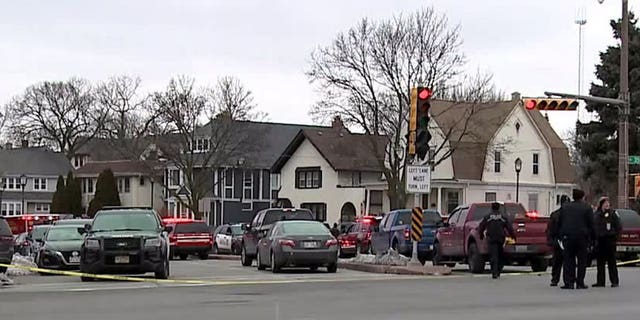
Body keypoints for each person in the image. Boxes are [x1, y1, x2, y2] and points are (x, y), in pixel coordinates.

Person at [557, 189, 595, 289]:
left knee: (568, 260)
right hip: (582, 237)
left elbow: (559, 222)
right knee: (582, 261)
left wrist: (560, 235)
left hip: (568, 237)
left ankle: (569, 282)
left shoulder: (565, 207)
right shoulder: (587, 208)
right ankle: (580, 282)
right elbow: (591, 224)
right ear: (582, 197)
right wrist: (593, 238)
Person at [478, 202, 516, 279]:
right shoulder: (503, 217)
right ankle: (498, 270)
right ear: (499, 208)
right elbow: (509, 227)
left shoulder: (488, 217)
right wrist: (513, 236)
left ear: (492, 208)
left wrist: (481, 235)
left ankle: (494, 272)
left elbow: (481, 226)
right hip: (500, 238)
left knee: (493, 256)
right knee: (500, 255)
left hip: (491, 238)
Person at [592, 197, 622, 288]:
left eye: (608, 203)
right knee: (600, 263)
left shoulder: (613, 214)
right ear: (601, 204)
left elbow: (618, 226)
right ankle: (600, 281)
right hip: (600, 241)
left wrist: (615, 237)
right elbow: (593, 227)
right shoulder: (596, 214)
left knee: (612, 262)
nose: (607, 205)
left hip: (610, 240)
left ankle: (614, 281)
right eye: (605, 203)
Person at [547, 195, 571, 286]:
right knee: (557, 261)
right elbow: (551, 228)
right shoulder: (555, 214)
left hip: (567, 240)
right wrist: (551, 240)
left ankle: (567, 279)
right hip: (558, 240)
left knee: (567, 262)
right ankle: (555, 279)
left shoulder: (570, 215)